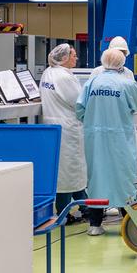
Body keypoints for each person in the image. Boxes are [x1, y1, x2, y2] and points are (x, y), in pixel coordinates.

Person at [76, 47, 137, 235]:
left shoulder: (92, 82)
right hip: (120, 137)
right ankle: (129, 222)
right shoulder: (126, 83)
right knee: (124, 176)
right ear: (122, 63)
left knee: (96, 177)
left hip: (95, 137)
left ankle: (95, 225)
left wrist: (93, 122)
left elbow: (79, 109)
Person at [39, 43, 93, 231]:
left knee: (64, 172)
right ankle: (76, 209)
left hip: (54, 127)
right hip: (68, 128)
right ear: (64, 58)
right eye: (74, 55)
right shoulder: (63, 77)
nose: (76, 58)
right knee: (72, 171)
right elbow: (79, 102)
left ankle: (79, 207)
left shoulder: (49, 73)